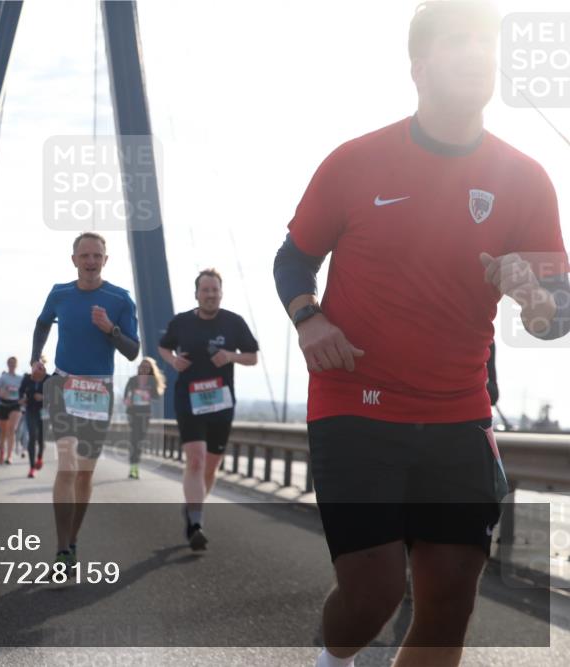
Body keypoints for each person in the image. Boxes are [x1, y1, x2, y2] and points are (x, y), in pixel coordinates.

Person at [272, 4, 569, 666]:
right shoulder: (355, 161)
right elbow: (293, 258)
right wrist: (308, 317)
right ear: (419, 68)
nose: (477, 55)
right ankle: (332, 658)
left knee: (448, 604)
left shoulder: (526, 179)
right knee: (374, 590)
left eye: (485, 43)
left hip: (458, 412)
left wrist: (535, 298)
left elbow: (558, 315)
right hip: (355, 402)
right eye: (458, 42)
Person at [32, 232, 140, 570]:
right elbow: (42, 323)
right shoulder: (60, 293)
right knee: (67, 464)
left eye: (97, 256)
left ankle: (73, 539)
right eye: (85, 255)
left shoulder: (120, 299)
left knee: (83, 475)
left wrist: (110, 329)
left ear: (105, 260)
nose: (91, 261)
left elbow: (133, 351)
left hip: (98, 391)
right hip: (63, 383)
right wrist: (36, 358)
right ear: (74, 259)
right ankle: (62, 549)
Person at [159, 269, 259, 549]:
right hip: (189, 400)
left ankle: (192, 506)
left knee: (211, 466)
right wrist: (173, 361)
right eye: (205, 290)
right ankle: (196, 523)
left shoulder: (233, 323)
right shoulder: (181, 322)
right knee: (196, 460)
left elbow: (252, 357)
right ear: (196, 294)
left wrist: (230, 356)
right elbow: (163, 347)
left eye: (215, 290)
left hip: (220, 403)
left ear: (221, 293)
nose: (211, 295)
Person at [122, 356, 167, 480]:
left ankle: (135, 465)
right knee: (134, 439)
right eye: (142, 366)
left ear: (151, 369)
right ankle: (133, 468)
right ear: (138, 367)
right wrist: (128, 400)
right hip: (133, 413)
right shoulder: (132, 380)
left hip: (145, 414)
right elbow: (125, 396)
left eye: (147, 367)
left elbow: (157, 396)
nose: (144, 369)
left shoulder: (152, 381)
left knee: (140, 440)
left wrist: (148, 395)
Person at [19, 357, 49, 478]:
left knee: (41, 437)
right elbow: (20, 391)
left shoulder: (48, 378)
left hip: (44, 410)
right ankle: (32, 467)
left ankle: (40, 457)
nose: (39, 366)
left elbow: (56, 395)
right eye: (37, 364)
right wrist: (22, 398)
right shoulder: (27, 378)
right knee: (32, 436)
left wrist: (43, 397)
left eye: (41, 364)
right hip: (31, 409)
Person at [0, 357, 23, 464]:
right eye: (10, 363)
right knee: (3, 431)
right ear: (7, 364)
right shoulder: (3, 377)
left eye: (14, 363)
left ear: (16, 365)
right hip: (4, 404)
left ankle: (9, 456)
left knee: (12, 429)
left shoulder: (20, 378)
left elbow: (25, 391)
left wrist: (23, 398)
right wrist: (0, 394)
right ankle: (2, 452)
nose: (12, 365)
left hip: (15, 405)